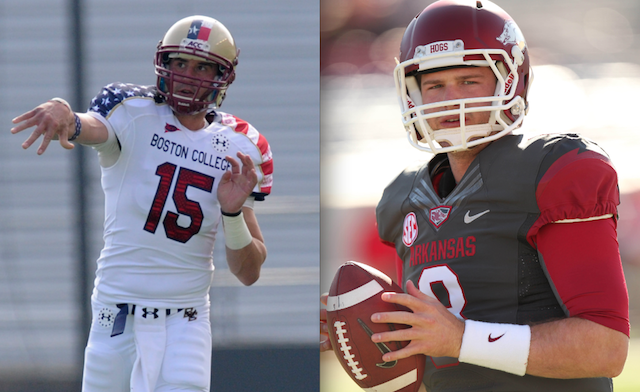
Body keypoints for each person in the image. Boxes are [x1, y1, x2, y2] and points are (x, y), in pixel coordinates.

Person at [321, 1, 630, 390]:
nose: (450, 98)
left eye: (468, 80)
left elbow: (605, 348)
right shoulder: (402, 197)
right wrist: (374, 331)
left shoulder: (555, 170)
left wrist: (462, 339)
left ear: (510, 80)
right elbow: (431, 344)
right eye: (434, 85)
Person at [11, 15, 273, 392]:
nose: (187, 75)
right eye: (179, 62)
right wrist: (65, 115)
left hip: (186, 321)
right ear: (163, 65)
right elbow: (88, 127)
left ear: (223, 76)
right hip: (115, 315)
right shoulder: (131, 113)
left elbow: (248, 272)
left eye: (202, 66)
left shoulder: (241, 146)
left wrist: (232, 213)